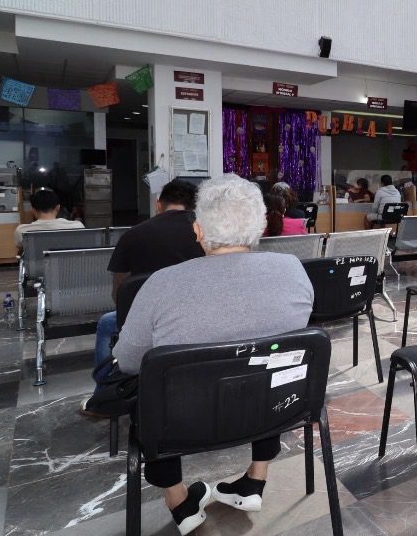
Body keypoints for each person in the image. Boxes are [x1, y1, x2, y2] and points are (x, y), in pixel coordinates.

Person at [112, 174, 313, 534]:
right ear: (262, 226)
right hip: (276, 410)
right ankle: (256, 479)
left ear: (199, 230)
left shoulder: (161, 284)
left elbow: (127, 361)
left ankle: (179, 501)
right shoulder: (293, 270)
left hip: (181, 423)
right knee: (269, 364)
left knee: (152, 390)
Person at [81, 179, 205, 417]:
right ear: (195, 206)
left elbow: (119, 292)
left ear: (158, 203)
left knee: (107, 324)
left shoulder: (133, 235)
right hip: (196, 316)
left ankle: (104, 397)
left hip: (145, 320)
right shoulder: (206, 236)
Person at [14, 189, 85, 250]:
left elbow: (20, 247)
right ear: (58, 208)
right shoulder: (77, 226)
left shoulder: (22, 231)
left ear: (33, 210)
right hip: (68, 262)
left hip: (37, 262)